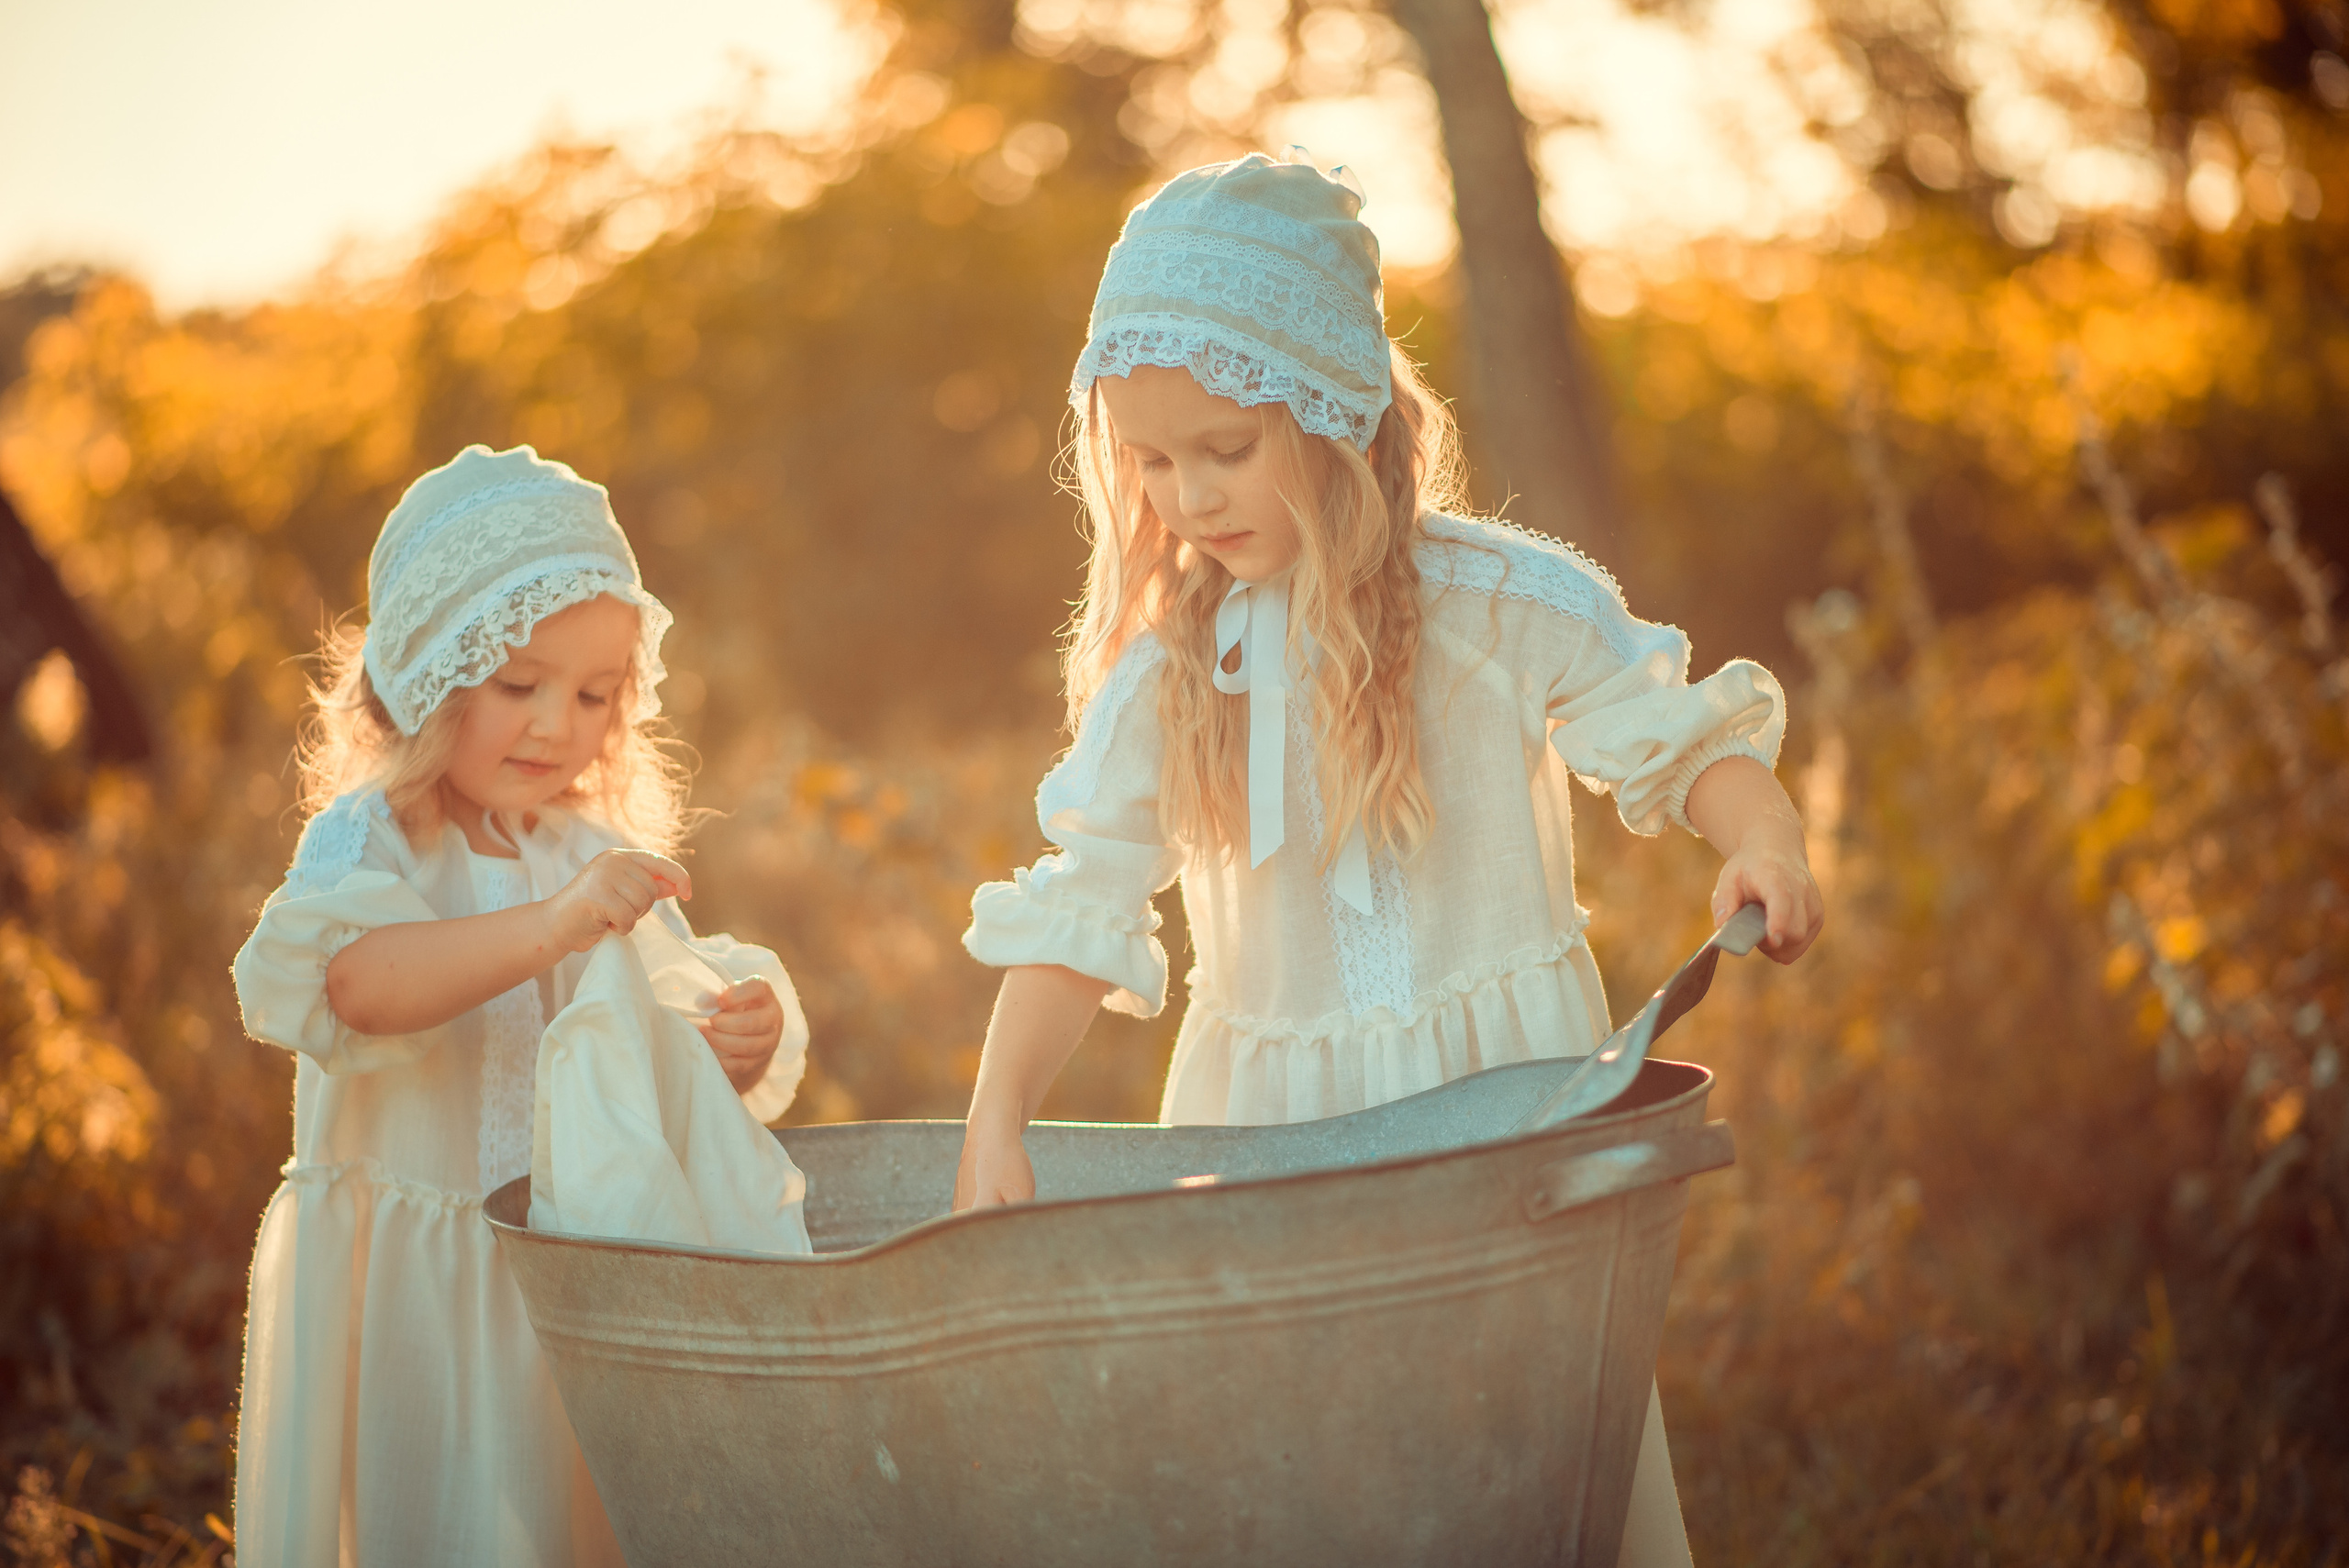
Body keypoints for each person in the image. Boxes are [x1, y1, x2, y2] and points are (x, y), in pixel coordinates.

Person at [952, 151, 1825, 1565]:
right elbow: (1084, 897)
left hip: (1498, 1112)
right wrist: (999, 1112)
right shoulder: (1170, 674)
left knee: (1516, 1464)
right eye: (1154, 461)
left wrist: (1764, 833)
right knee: (1298, 1475)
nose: (1187, 497)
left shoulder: (1506, 605)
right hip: (1267, 1131)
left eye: (1225, 449)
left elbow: (1667, 735)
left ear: (1335, 410)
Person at [229, 445, 808, 1567]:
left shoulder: (586, 851)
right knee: (425, 1513)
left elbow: (649, 1051)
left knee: (552, 1516)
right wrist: (553, 926)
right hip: (411, 1276)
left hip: (557, 1273)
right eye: (518, 685)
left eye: (594, 695)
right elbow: (361, 985)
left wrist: (731, 1037)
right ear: (428, 674)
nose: (556, 724)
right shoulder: (375, 837)